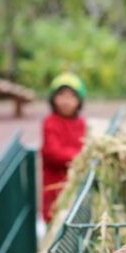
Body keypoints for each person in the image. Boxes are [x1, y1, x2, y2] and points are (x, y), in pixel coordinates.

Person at [41, 72, 87, 223]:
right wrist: (81, 156)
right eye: (61, 95)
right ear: (53, 99)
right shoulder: (50, 123)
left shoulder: (80, 123)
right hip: (56, 187)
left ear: (79, 101)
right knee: (56, 220)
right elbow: (53, 153)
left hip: (75, 184)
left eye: (71, 96)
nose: (66, 101)